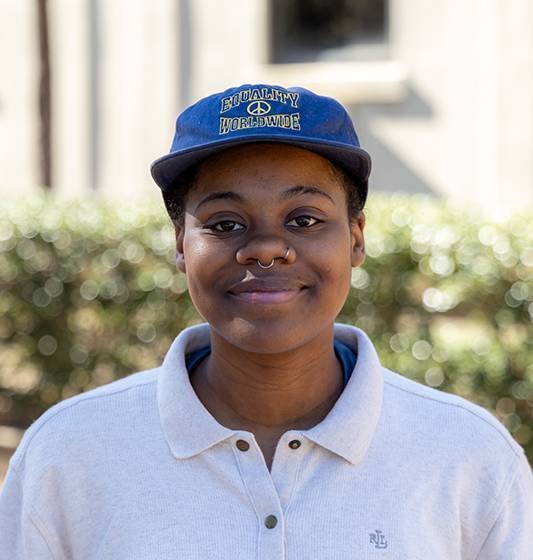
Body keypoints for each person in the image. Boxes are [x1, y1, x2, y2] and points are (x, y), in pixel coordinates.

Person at [0, 83, 531, 559]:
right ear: (182, 245)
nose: (267, 249)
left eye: (304, 219)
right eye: (225, 223)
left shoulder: (468, 454)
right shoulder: (69, 452)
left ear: (355, 238)